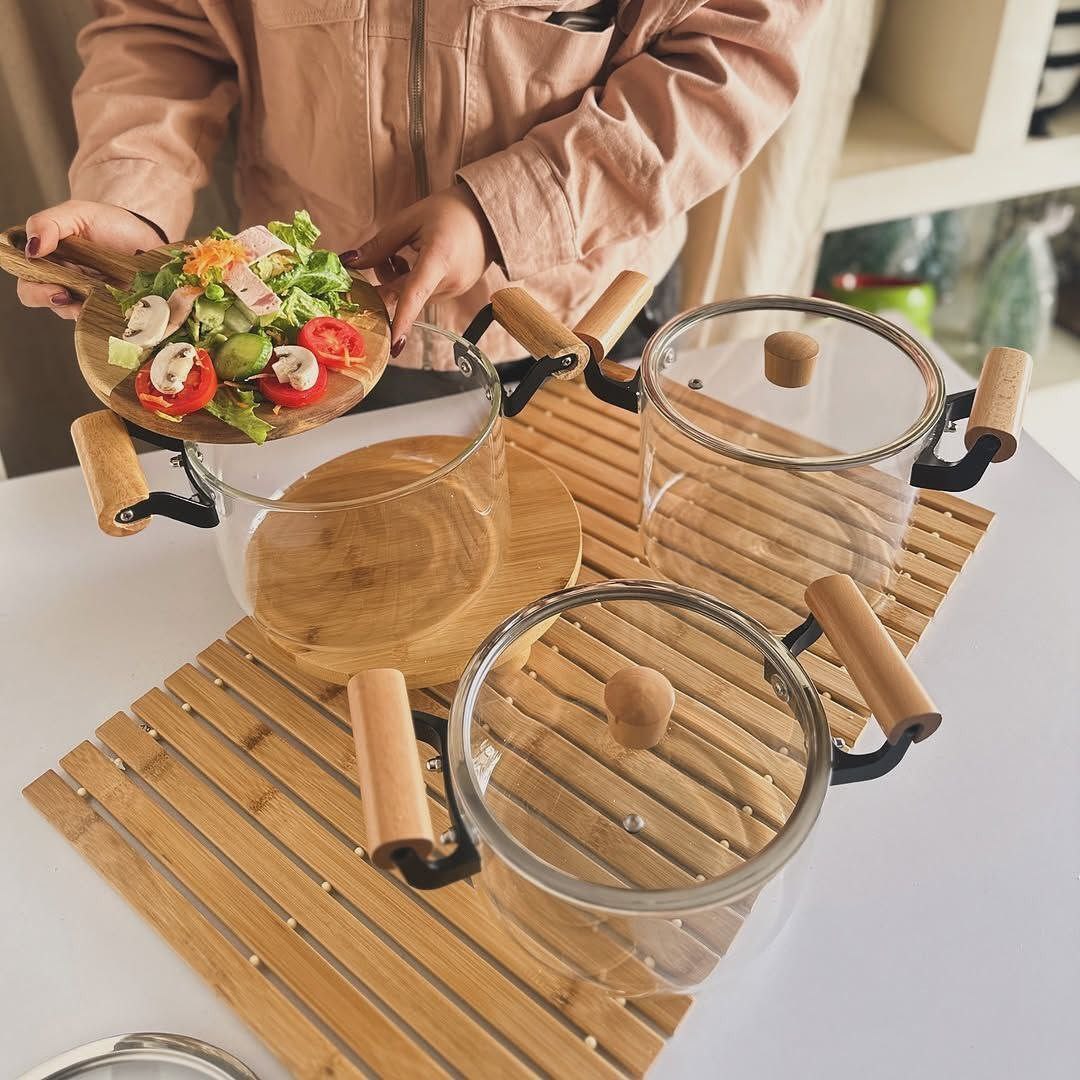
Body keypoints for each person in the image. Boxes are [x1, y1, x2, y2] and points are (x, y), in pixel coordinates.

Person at [15, 0, 820, 384]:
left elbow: (733, 53)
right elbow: (163, 26)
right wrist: (133, 193)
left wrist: (500, 212)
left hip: (575, 310)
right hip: (306, 322)